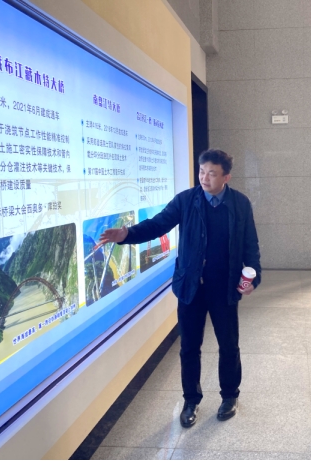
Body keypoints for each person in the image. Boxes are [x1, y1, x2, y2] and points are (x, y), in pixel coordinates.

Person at [100, 149, 261, 428]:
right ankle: (191, 400)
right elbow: (158, 225)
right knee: (189, 347)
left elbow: (251, 244)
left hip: (224, 288)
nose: (204, 178)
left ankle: (229, 396)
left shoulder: (240, 203)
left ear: (226, 177)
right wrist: (127, 234)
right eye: (201, 172)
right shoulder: (186, 200)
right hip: (191, 287)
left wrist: (253, 278)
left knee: (228, 345)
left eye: (212, 173)